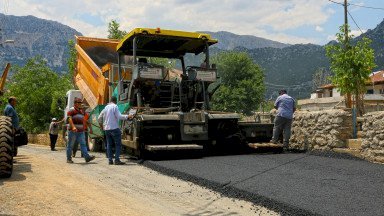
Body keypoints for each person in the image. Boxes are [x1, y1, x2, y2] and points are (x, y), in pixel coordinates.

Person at [98, 96, 131, 165]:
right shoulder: (115, 106)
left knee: (109, 144)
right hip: (114, 128)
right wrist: (128, 116)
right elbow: (119, 116)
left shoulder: (105, 108)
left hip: (107, 129)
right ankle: (117, 160)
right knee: (118, 145)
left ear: (110, 101)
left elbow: (99, 118)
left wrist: (102, 127)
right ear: (115, 101)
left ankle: (110, 160)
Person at [66, 97, 95, 163]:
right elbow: (69, 119)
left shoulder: (81, 111)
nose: (81, 104)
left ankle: (87, 157)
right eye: (79, 102)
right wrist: (73, 127)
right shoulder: (71, 110)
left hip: (81, 131)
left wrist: (90, 129)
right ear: (75, 103)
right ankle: (68, 158)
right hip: (72, 131)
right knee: (70, 145)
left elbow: (85, 120)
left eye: (81, 102)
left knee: (83, 144)